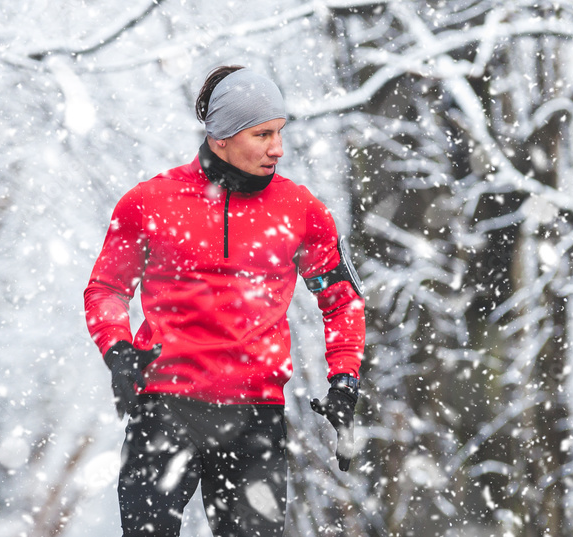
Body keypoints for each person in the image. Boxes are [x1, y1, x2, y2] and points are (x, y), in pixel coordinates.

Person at [83, 65, 366, 537]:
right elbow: (106, 289)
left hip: (254, 421)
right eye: (262, 134)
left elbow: (342, 301)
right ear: (220, 139)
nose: (277, 147)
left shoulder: (302, 211)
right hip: (164, 413)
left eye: (280, 132)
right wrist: (117, 349)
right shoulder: (150, 203)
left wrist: (344, 380)